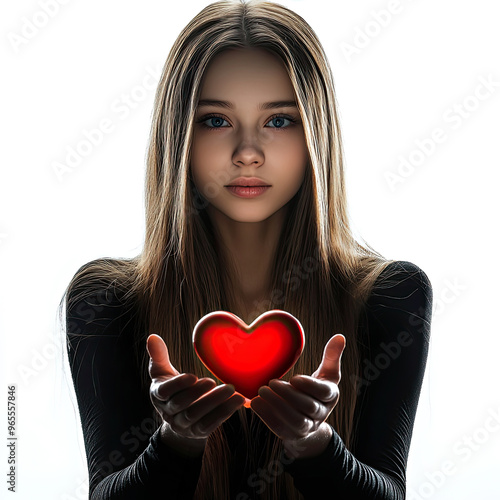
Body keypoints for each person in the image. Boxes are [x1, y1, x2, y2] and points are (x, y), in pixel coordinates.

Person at [61, 1, 433, 499]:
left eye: (279, 121)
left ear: (315, 136)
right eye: (215, 120)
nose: (248, 152)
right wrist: (175, 442)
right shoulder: (105, 302)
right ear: (179, 139)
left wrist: (316, 445)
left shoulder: (391, 296)